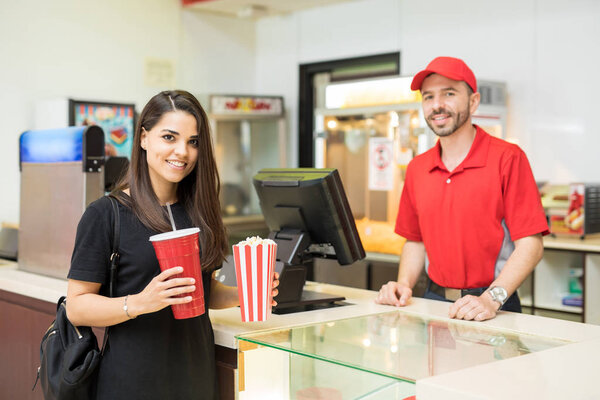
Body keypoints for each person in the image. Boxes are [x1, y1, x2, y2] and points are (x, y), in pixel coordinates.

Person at [65, 90, 279, 399]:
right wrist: (139, 302)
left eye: (193, 142)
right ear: (143, 138)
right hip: (132, 382)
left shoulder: (199, 210)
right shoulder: (105, 213)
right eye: (169, 137)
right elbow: (77, 306)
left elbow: (199, 289)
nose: (182, 152)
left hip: (196, 377)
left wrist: (243, 295)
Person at [375, 57, 548, 322]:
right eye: (428, 96)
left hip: (494, 304)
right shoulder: (417, 168)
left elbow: (531, 245)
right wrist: (403, 285)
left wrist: (491, 299)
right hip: (433, 302)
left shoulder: (508, 158)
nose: (437, 105)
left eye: (449, 93)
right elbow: (415, 240)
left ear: (474, 101)